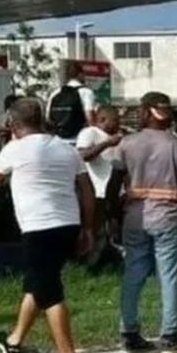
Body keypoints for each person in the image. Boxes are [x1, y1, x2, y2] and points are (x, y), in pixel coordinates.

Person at [0, 98, 97, 353]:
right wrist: (89, 228)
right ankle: (15, 341)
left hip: (38, 227)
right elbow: (87, 189)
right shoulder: (66, 149)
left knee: (49, 292)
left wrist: (7, 146)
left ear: (13, 124)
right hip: (68, 224)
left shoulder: (16, 148)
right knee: (39, 281)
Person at [118, 92, 177, 353]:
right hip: (167, 216)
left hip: (134, 216)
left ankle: (129, 334)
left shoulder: (127, 143)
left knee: (133, 274)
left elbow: (112, 184)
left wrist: (109, 215)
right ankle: (170, 335)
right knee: (169, 275)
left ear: (144, 112)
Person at [77, 107, 125, 264]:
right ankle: (88, 261)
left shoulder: (113, 138)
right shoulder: (90, 133)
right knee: (94, 229)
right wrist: (107, 144)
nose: (118, 124)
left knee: (108, 229)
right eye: (115, 121)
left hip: (111, 192)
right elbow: (83, 155)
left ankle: (103, 258)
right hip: (95, 191)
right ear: (103, 120)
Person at [46, 63, 97, 143]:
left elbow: (48, 118)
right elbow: (89, 117)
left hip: (59, 140)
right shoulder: (86, 92)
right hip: (79, 140)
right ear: (81, 74)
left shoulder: (55, 93)